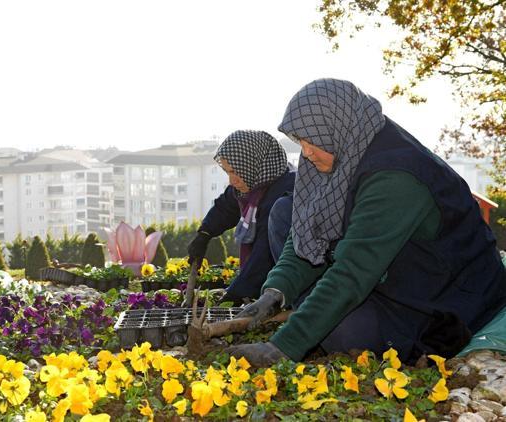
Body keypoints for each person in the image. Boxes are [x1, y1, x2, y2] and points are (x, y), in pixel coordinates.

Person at [227, 78, 506, 366]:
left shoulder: (396, 176)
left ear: (337, 128)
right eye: (300, 141)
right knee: (286, 212)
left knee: (342, 332)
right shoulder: (345, 149)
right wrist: (276, 291)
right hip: (392, 270)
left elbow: (354, 270)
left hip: (443, 297)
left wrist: (282, 347)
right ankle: (318, 311)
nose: (306, 152)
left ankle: (321, 316)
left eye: (312, 140)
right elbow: (306, 231)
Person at [187, 130, 295, 303]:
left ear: (253, 164)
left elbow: (264, 255)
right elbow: (225, 207)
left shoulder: (282, 195)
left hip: (287, 285)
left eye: (235, 172)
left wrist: (236, 294)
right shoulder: (252, 183)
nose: (232, 180)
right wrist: (204, 234)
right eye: (228, 172)